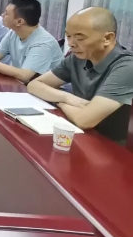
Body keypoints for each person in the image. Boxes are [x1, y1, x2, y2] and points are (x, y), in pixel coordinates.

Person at [28, 8, 133, 144]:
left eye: (80, 38)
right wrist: (67, 97)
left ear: (107, 38)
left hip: (109, 145)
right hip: (77, 133)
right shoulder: (78, 57)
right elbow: (34, 85)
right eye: (68, 36)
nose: (71, 43)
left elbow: (85, 120)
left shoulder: (126, 67)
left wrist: (59, 102)